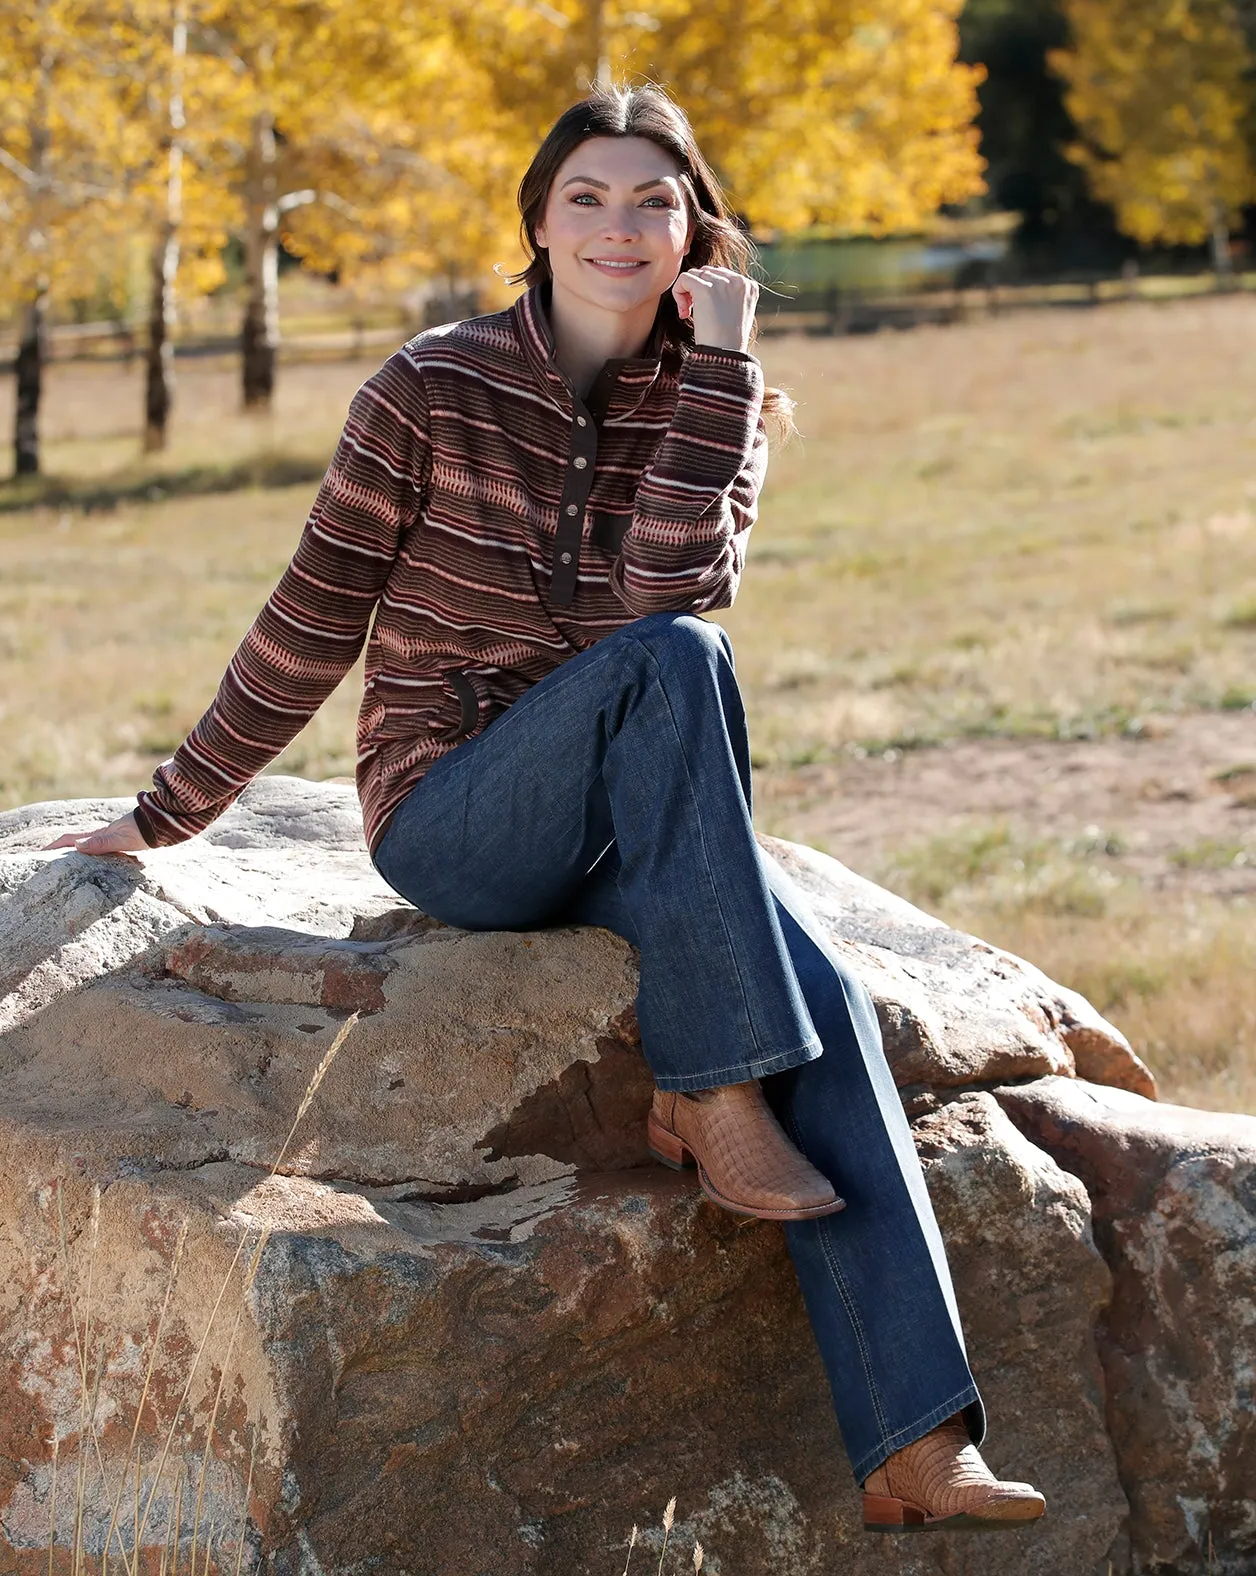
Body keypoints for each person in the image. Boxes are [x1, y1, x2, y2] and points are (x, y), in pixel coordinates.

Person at [52, 84, 1046, 1533]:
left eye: (654, 199)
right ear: (536, 221)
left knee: (819, 997)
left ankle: (917, 1444)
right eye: (586, 195)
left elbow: (664, 584)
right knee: (681, 670)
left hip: (630, 827)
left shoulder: (725, 399)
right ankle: (709, 1088)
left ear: (697, 232)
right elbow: (311, 621)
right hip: (454, 813)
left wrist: (716, 370)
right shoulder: (428, 388)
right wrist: (166, 813)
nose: (618, 226)